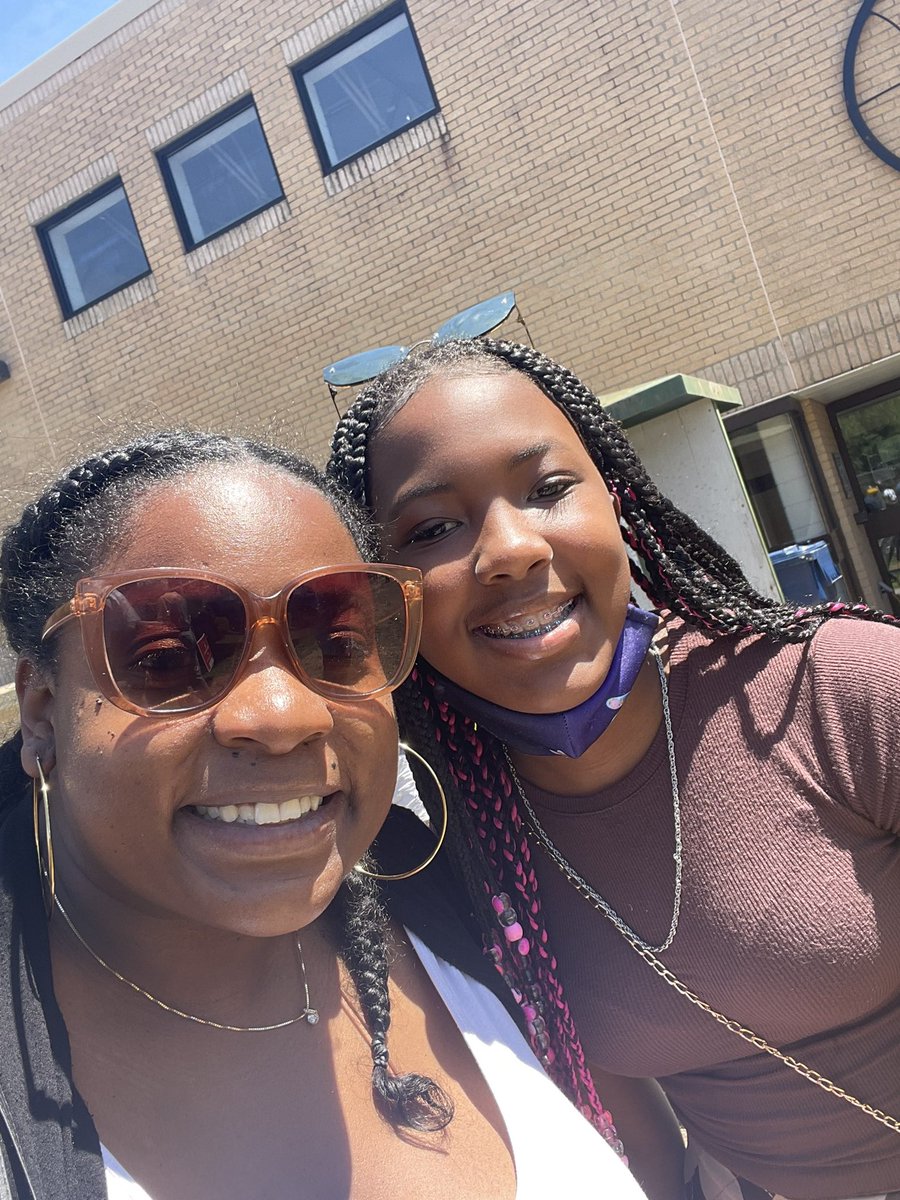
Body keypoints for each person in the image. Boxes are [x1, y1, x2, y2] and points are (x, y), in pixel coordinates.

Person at [0, 430, 649, 1199]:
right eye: (169, 657)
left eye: (337, 644)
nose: (283, 713)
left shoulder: (475, 907)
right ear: (42, 712)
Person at [328, 338, 900, 1200]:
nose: (510, 549)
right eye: (433, 529)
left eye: (549, 489)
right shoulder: (458, 840)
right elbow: (621, 1111)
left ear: (618, 501)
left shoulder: (842, 692)